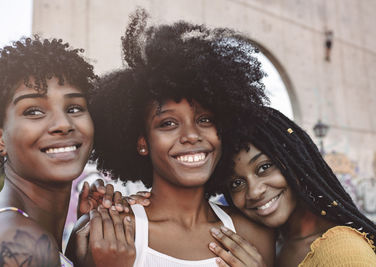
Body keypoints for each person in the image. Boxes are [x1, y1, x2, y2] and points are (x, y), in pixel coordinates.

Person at [68, 9, 275, 267]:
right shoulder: (104, 232)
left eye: (205, 120)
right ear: (142, 141)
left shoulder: (254, 236)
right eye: (168, 123)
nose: (191, 135)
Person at [0, 36, 100, 266]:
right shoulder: (21, 246)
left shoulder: (13, 228)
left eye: (74, 108)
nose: (63, 124)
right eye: (33, 111)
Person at [209, 107, 376, 266]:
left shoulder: (344, 252)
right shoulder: (270, 243)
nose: (254, 192)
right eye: (236, 183)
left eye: (264, 167)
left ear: (294, 163)